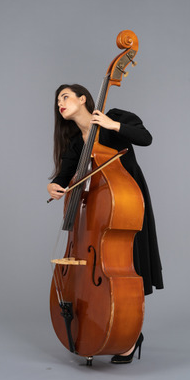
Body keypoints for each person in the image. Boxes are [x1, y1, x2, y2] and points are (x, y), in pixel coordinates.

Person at [47, 84, 163, 364]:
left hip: (124, 201)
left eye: (65, 96)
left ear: (83, 98)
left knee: (131, 262)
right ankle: (113, 332)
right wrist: (55, 185)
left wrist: (113, 124)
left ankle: (131, 334)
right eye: (57, 100)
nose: (60, 103)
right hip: (99, 208)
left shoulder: (111, 118)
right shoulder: (77, 143)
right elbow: (64, 175)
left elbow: (146, 138)